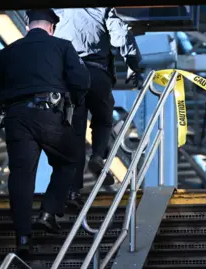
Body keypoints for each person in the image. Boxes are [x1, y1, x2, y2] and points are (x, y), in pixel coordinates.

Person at [0, 9, 90, 257]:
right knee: (69, 160)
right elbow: (81, 80)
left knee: (21, 176)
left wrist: (0, 105)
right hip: (49, 114)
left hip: (16, 118)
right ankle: (48, 212)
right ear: (51, 27)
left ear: (28, 26)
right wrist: (73, 100)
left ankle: (22, 237)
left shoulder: (9, 51)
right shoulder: (62, 46)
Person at [52, 8, 143, 209]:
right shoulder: (102, 9)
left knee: (74, 134)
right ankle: (98, 155)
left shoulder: (57, 10)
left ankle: (72, 191)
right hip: (97, 73)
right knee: (103, 119)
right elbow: (121, 35)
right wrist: (133, 64)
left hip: (70, 77)